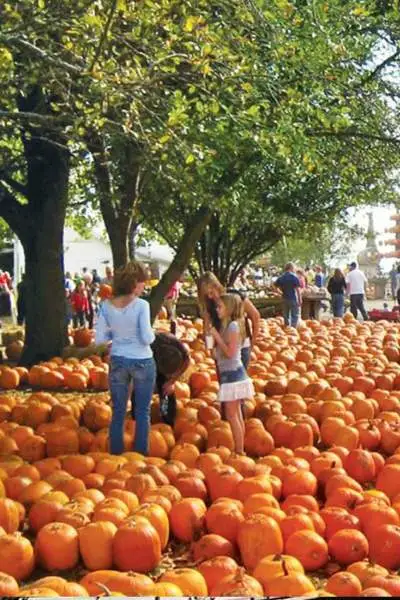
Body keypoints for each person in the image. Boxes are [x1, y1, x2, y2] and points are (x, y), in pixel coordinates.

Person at [95, 261, 156, 455]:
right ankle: (140, 454)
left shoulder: (106, 306)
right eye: (142, 282)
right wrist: (154, 334)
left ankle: (115, 453)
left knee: (118, 410)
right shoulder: (142, 306)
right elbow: (147, 337)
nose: (144, 286)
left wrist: (118, 334)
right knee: (142, 411)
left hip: (118, 359)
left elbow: (100, 339)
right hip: (142, 360)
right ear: (134, 283)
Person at [211, 294, 254, 454]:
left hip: (233, 375)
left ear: (229, 308)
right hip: (230, 373)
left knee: (232, 415)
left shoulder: (233, 326)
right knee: (236, 414)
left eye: (220, 306)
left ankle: (239, 450)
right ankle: (240, 449)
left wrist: (217, 338)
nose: (217, 310)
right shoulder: (229, 326)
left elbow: (231, 352)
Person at [197, 271, 260, 370]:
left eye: (211, 292)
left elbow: (255, 316)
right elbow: (207, 329)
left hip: (241, 348)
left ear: (216, 285)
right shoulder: (209, 305)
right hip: (221, 349)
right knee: (225, 383)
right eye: (206, 295)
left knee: (239, 380)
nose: (209, 296)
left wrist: (252, 342)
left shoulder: (235, 296)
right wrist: (210, 348)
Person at [275, 263, 302, 328]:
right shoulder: (294, 277)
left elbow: (274, 286)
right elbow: (298, 290)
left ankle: (286, 328)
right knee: (294, 315)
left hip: (284, 298)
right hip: (293, 298)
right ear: (291, 268)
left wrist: (280, 293)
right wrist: (300, 299)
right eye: (294, 268)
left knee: (285, 315)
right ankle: (293, 329)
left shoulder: (281, 277)